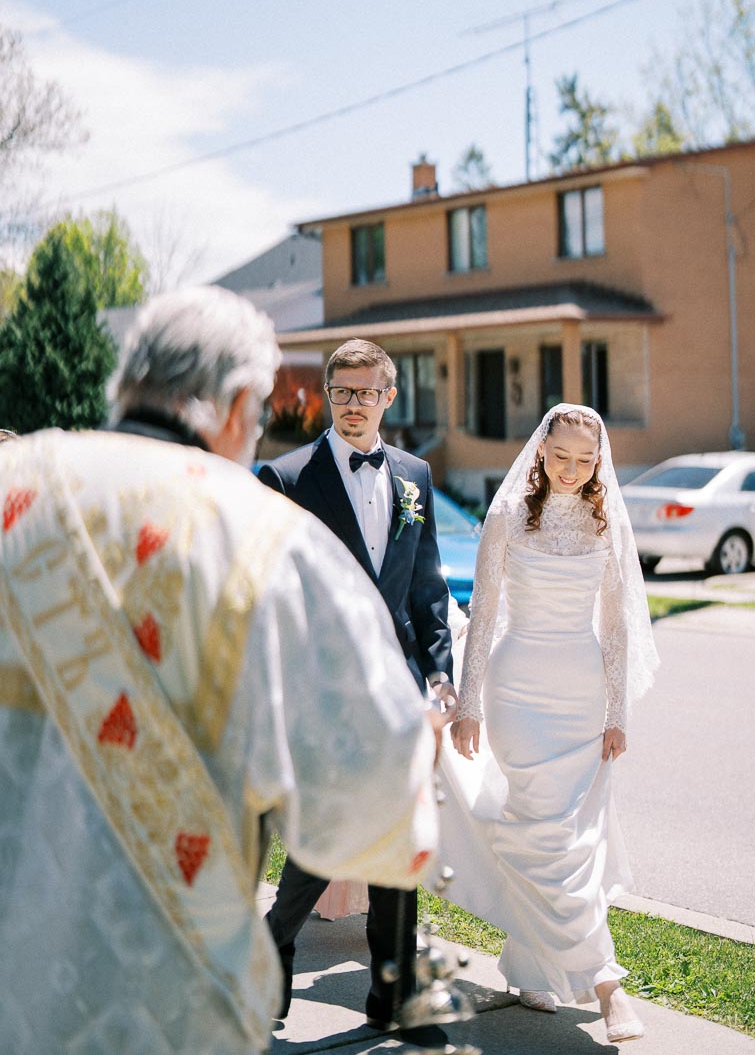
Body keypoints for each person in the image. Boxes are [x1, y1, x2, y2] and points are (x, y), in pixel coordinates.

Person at [0, 288, 439, 1055]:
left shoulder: (14, 480)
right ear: (238, 404)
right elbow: (367, 805)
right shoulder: (264, 535)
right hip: (157, 992)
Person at [258, 337, 456, 1039]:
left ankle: (394, 996)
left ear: (389, 397)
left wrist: (440, 671)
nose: (353, 404)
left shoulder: (414, 476)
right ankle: (271, 949)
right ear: (327, 396)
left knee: (398, 835)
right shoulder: (283, 478)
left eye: (367, 392)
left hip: (399, 687)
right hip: (321, 688)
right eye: (342, 391)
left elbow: (427, 585)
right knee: (325, 835)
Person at [447, 403, 659, 1044]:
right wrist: (469, 702)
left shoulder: (605, 524)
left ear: (600, 463)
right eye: (561, 455)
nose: (571, 469)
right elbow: (481, 615)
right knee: (546, 835)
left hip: (581, 694)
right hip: (517, 692)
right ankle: (607, 986)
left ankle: (530, 962)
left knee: (571, 837)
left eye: (585, 460)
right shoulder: (508, 516)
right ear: (540, 451)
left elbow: (617, 628)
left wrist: (617, 712)